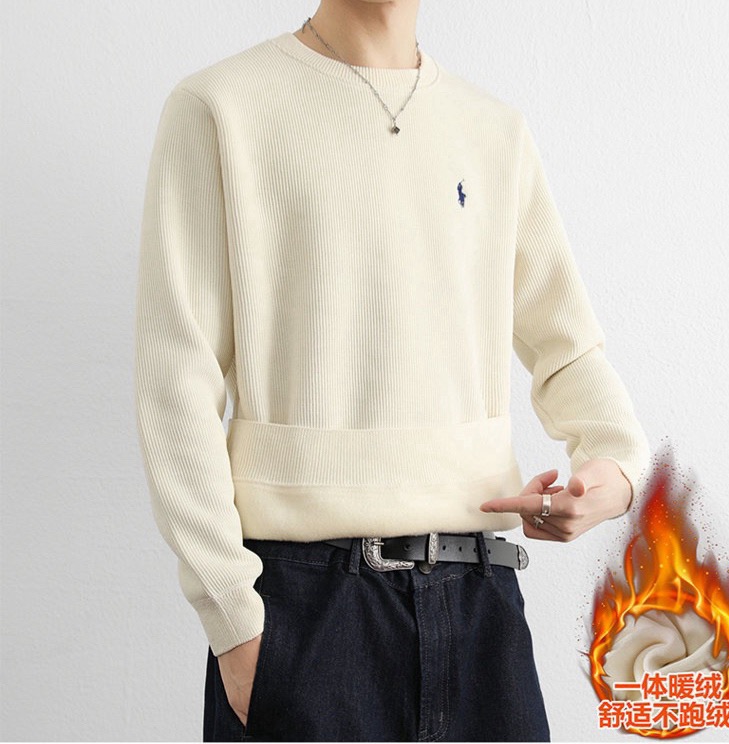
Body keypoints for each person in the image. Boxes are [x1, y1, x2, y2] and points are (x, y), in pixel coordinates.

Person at [134, 1, 651, 741]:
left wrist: (616, 467)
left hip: (482, 598)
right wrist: (237, 624)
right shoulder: (221, 106)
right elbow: (175, 381)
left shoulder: (491, 128)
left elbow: (564, 343)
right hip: (305, 606)